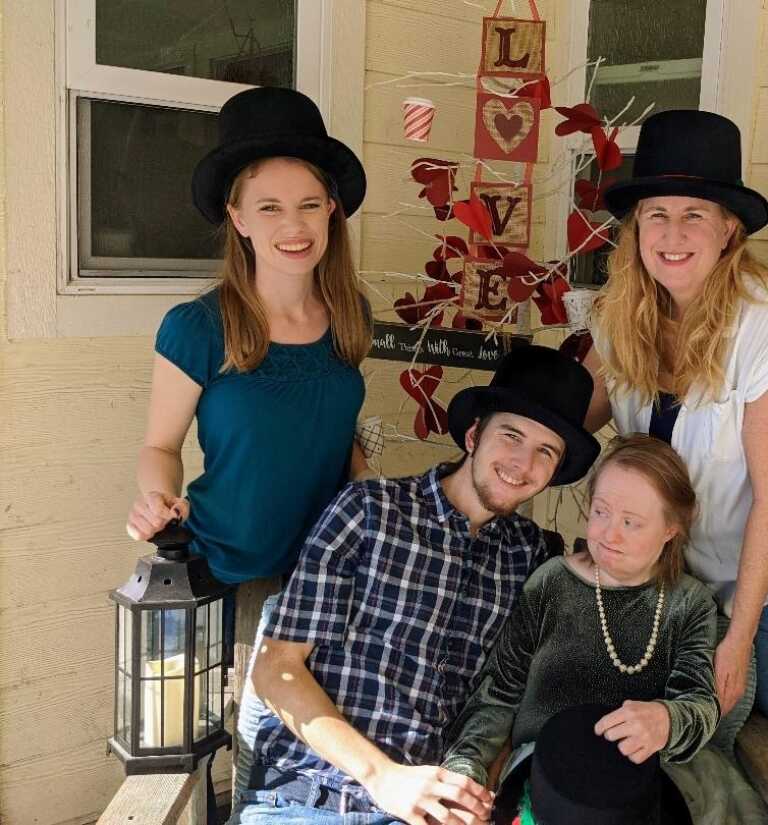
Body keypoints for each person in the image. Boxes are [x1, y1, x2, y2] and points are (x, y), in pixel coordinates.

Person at [582, 109, 768, 807]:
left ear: (729, 229)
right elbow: (568, 418)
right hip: (689, 577)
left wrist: (737, 639)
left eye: (694, 215)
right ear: (636, 227)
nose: (672, 235)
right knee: (705, 762)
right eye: (656, 214)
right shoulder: (624, 314)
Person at [231, 346, 601, 825]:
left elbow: (508, 700)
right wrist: (384, 777)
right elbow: (276, 668)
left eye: (545, 452)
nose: (522, 462)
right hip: (312, 799)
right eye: (511, 435)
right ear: (474, 434)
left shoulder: (528, 556)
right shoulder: (369, 511)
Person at [123, 84, 372, 797]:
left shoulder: (351, 315)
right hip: (235, 572)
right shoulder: (200, 326)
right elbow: (159, 445)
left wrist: (369, 498)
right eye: (269, 207)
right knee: (247, 751)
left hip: (326, 569)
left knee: (325, 751)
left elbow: (333, 432)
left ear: (332, 209)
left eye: (308, 203)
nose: (292, 225)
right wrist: (155, 498)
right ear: (236, 217)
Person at [443, 435, 768, 824]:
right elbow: (498, 693)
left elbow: (701, 701)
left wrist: (667, 720)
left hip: (647, 792)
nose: (608, 534)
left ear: (671, 527)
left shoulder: (689, 604)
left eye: (631, 522)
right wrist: (464, 769)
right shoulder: (551, 584)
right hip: (547, 782)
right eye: (600, 512)